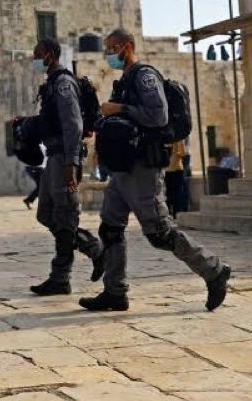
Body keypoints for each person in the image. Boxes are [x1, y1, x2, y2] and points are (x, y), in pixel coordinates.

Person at [80, 28, 231, 314]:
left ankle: (214, 270)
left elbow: (158, 116)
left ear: (126, 47)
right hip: (121, 169)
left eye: (112, 48)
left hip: (142, 168)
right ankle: (115, 292)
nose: (108, 54)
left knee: (159, 232)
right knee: (110, 228)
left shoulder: (145, 76)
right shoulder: (123, 79)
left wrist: (120, 108)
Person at [27, 39, 104, 297]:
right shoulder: (51, 84)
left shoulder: (63, 83)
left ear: (49, 55)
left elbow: (73, 125)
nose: (35, 59)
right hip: (54, 157)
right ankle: (93, 249)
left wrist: (72, 164)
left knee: (65, 215)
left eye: (38, 54)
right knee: (46, 214)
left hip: (64, 158)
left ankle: (60, 277)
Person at [164, 139, 189, 217]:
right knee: (178, 191)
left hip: (166, 169)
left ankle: (168, 212)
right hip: (177, 168)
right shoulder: (179, 138)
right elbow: (183, 153)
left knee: (168, 191)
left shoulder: (164, 137)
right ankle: (177, 212)